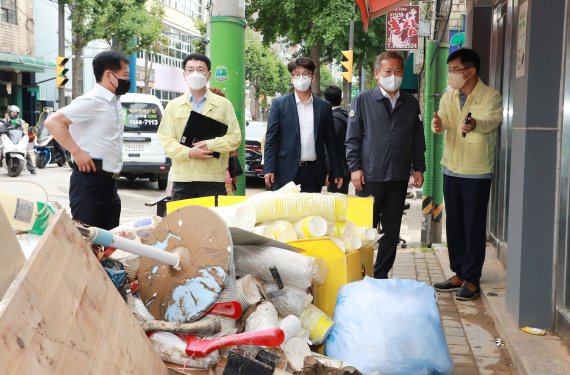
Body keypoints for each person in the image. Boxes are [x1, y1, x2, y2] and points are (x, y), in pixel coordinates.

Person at [346, 51, 426, 279]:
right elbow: (353, 138)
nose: (393, 76)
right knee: (364, 230)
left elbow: (417, 138)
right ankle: (361, 274)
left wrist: (418, 167)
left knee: (391, 231)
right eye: (388, 72)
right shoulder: (363, 100)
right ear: (377, 73)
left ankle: (380, 275)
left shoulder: (410, 103)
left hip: (399, 177)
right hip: (369, 177)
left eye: (398, 71)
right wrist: (354, 168)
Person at [432, 48, 503, 301]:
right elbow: (442, 120)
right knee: (455, 225)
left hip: (477, 171)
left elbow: (491, 121)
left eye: (455, 70)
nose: (451, 75)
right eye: (449, 70)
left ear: (470, 71)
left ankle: (472, 278)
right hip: (451, 167)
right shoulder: (450, 95)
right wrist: (438, 124)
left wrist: (475, 125)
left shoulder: (491, 96)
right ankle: (459, 273)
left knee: (473, 226)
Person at [45, 49, 130, 230]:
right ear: (109, 75)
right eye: (124, 75)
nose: (127, 80)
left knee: (106, 245)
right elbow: (53, 122)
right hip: (90, 183)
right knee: (86, 244)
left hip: (109, 183)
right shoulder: (93, 100)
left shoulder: (113, 101)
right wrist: (76, 152)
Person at [157, 53, 241, 201]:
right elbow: (166, 140)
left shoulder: (223, 104)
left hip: (213, 180)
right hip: (183, 180)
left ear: (208, 75)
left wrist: (211, 144)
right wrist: (189, 153)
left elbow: (235, 138)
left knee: (212, 223)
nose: (195, 73)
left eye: (200, 69)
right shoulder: (174, 106)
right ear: (184, 75)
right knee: (182, 223)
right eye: (190, 70)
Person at [264, 56, 343, 192]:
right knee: (285, 212)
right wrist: (269, 168)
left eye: (305, 74)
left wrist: (336, 170)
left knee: (311, 212)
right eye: (296, 75)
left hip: (313, 173)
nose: (301, 78)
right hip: (285, 171)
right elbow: (271, 139)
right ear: (292, 79)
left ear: (312, 77)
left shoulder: (324, 107)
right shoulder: (280, 105)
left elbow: (331, 142)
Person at [323, 85, 349, 194]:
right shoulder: (345, 116)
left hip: (337, 170)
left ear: (325, 100)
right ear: (340, 99)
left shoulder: (333, 119)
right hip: (346, 166)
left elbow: (330, 146)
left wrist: (328, 170)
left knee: (335, 205)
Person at [4, 105, 36, 175]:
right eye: (13, 112)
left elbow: (25, 129)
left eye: (16, 113)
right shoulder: (5, 120)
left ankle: (32, 169)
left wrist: (26, 131)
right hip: (8, 139)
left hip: (18, 140)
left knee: (26, 153)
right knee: (1, 151)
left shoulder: (21, 121)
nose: (14, 114)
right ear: (9, 112)